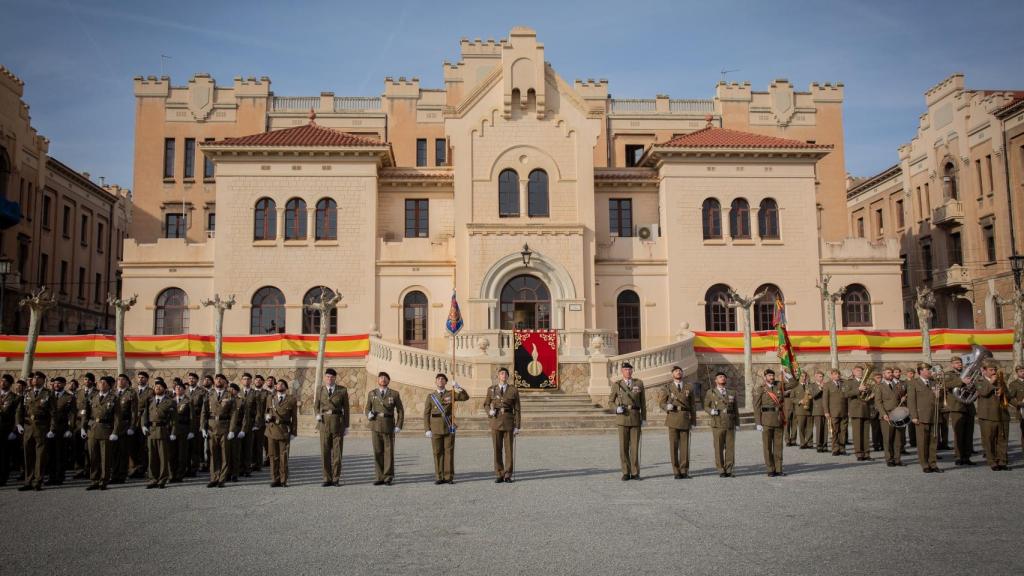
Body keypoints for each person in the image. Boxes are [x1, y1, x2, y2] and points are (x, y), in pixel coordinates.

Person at [423, 373, 469, 485]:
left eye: (443, 379)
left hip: (449, 426)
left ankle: (448, 476)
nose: (440, 381)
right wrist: (427, 429)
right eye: (438, 379)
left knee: (449, 452)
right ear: (435, 382)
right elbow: (426, 414)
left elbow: (465, 397)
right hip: (435, 427)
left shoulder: (451, 393)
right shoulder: (431, 396)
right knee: (437, 452)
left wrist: (458, 387)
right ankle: (439, 476)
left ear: (446, 382)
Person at [17, 371, 55, 491]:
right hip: (28, 427)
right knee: (28, 455)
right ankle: (28, 481)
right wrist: (18, 424)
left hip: (41, 427)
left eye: (38, 378)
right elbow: (20, 410)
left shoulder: (48, 394)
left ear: (43, 380)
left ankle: (38, 481)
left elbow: (53, 413)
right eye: (34, 378)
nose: (35, 380)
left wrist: (51, 429)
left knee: (40, 456)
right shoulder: (27, 393)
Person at [608, 361, 646, 481]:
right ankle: (625, 471)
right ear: (622, 372)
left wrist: (644, 418)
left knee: (634, 447)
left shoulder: (639, 383)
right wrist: (616, 408)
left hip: (635, 417)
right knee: (623, 447)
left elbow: (643, 403)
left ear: (632, 371)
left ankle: (635, 472)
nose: (628, 372)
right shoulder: (617, 385)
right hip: (622, 417)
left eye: (629, 370)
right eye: (625, 370)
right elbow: (610, 401)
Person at [82, 376, 120, 490]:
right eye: (100, 382)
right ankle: (94, 480)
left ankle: (103, 480)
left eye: (104, 383)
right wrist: (83, 428)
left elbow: (117, 417)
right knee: (93, 456)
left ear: (109, 385)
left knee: (105, 458)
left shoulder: (114, 398)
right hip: (92, 429)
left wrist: (115, 432)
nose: (101, 384)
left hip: (106, 429)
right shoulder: (92, 396)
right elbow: (86, 413)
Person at [200, 374, 238, 488]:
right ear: (214, 381)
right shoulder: (209, 394)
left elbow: (234, 413)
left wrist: (232, 430)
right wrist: (203, 427)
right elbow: (204, 412)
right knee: (213, 454)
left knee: (225, 455)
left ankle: (222, 478)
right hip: (212, 427)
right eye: (216, 379)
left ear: (224, 382)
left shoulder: (229, 395)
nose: (218, 380)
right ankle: (214, 477)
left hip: (225, 427)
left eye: (221, 379)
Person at [314, 367, 350, 486]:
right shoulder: (320, 390)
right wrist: (317, 415)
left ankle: (336, 478)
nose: (329, 379)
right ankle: (326, 478)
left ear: (335, 378)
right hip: (324, 423)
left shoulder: (342, 390)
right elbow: (316, 405)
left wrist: (346, 425)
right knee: (325, 452)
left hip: (337, 423)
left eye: (332, 377)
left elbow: (346, 408)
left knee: (337, 452)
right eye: (328, 377)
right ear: (325, 378)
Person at [366, 371, 404, 485]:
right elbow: (367, 408)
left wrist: (398, 425)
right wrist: (368, 414)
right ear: (378, 380)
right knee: (377, 451)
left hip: (389, 425)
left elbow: (400, 411)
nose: (383, 379)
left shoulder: (394, 394)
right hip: (376, 424)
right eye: (381, 378)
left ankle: (388, 477)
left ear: (388, 381)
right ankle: (379, 477)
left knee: (388, 452)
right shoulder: (372, 393)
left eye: (385, 378)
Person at [973, 359, 1010, 471]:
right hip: (987, 415)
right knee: (988, 440)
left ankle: (1002, 461)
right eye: (991, 370)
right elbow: (983, 392)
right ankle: (992, 461)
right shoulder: (979, 380)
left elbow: (1008, 395)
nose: (993, 372)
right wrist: (991, 382)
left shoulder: (1000, 380)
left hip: (1001, 414)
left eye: (994, 369)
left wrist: (1003, 392)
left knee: (1002, 439)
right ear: (984, 371)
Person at [485, 367, 521, 483]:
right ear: (498, 376)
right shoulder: (491, 389)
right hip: (495, 421)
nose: (503, 376)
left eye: (505, 374)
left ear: (508, 376)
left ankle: (508, 474)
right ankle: (499, 473)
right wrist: (489, 412)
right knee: (497, 449)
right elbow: (486, 404)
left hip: (509, 421)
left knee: (509, 450)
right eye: (501, 374)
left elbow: (517, 409)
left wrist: (517, 426)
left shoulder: (513, 390)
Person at [659, 366, 695, 479]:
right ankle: (676, 471)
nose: (678, 373)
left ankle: (684, 470)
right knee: (673, 446)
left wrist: (693, 420)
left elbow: (692, 405)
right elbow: (661, 403)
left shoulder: (689, 387)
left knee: (684, 447)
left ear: (682, 373)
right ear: (672, 374)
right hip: (673, 418)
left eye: (680, 371)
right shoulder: (668, 388)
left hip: (685, 418)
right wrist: (666, 406)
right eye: (676, 371)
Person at [753, 368, 790, 476]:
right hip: (766, 421)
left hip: (778, 419)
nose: (772, 377)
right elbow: (756, 406)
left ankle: (779, 469)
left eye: (773, 375)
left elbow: (793, 384)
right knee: (768, 447)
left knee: (778, 446)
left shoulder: (779, 385)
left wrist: (786, 374)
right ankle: (770, 469)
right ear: (765, 377)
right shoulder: (760, 389)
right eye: (769, 376)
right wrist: (758, 423)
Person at [907, 362, 942, 473]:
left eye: (930, 370)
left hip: (933, 415)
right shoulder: (914, 383)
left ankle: (933, 463)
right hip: (921, 416)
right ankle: (924, 464)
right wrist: (914, 416)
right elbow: (911, 401)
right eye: (927, 369)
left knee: (933, 441)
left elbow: (938, 401)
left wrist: (938, 396)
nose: (929, 371)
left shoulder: (933, 382)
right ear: (920, 371)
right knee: (922, 442)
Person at [141, 377, 175, 489]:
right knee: (152, 457)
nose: (157, 388)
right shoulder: (150, 401)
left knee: (163, 457)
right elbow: (144, 414)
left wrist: (173, 432)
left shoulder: (170, 401)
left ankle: (163, 479)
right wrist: (143, 425)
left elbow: (174, 419)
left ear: (164, 389)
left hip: (163, 430)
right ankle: (153, 479)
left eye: (160, 386)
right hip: (151, 431)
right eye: (156, 386)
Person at [941, 356, 974, 466]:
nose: (959, 364)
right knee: (959, 433)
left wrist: (971, 384)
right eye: (956, 363)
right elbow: (946, 385)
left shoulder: (968, 373)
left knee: (969, 434)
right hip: (956, 407)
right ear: (952, 364)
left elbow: (976, 386)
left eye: (960, 362)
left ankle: (967, 457)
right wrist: (961, 381)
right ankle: (959, 456)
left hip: (969, 406)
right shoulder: (948, 374)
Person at [265, 379, 298, 487]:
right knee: (273, 456)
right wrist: (267, 417)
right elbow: (266, 411)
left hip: (284, 430)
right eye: (277, 384)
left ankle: (283, 480)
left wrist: (293, 432)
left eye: (281, 384)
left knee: (283, 457)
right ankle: (275, 479)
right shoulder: (270, 398)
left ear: (286, 387)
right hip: (271, 430)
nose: (279, 385)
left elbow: (294, 417)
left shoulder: (291, 399)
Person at [704, 372, 738, 477]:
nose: (722, 378)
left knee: (730, 448)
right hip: (717, 423)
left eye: (724, 377)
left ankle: (729, 469)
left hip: (729, 423)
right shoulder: (711, 392)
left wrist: (737, 423)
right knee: (718, 447)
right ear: (715, 380)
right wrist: (711, 411)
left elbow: (736, 409)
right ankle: (721, 469)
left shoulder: (732, 392)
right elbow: (706, 406)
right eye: (720, 377)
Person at [47, 376, 76, 485]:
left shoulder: (69, 397)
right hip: (49, 428)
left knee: (60, 454)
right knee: (50, 454)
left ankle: (59, 477)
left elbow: (72, 414)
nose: (56, 385)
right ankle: (51, 477)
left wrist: (70, 429)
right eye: (55, 383)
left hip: (62, 428)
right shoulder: (49, 396)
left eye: (59, 383)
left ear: (64, 384)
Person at [875, 368, 906, 467]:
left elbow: (900, 398)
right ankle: (889, 459)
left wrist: (903, 398)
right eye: (888, 373)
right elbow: (878, 402)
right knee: (888, 438)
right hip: (887, 415)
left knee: (898, 438)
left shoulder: (897, 385)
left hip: (897, 415)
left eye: (891, 372)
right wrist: (883, 414)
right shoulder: (880, 386)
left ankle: (897, 459)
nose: (891, 374)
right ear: (883, 374)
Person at [822, 368, 855, 456]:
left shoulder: (844, 384)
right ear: (832, 375)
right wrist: (826, 411)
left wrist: (849, 410)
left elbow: (847, 398)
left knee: (843, 431)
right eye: (835, 374)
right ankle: (835, 449)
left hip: (844, 411)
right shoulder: (827, 385)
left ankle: (842, 448)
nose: (837, 376)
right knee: (835, 431)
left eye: (838, 374)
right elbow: (825, 399)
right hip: (833, 412)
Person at [111, 374, 137, 484]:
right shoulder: (112, 394)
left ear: (127, 382)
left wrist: (132, 426)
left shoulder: (131, 394)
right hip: (112, 426)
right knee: (113, 452)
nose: (120, 381)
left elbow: (134, 412)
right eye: (119, 379)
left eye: (123, 380)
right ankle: (114, 474)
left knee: (123, 452)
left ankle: (121, 475)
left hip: (124, 425)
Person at [845, 366, 873, 462]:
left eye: (861, 370)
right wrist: (859, 389)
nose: (860, 372)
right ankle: (859, 454)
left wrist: (868, 391)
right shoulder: (849, 382)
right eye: (858, 370)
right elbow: (846, 394)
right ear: (853, 371)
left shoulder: (867, 382)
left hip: (866, 409)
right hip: (856, 410)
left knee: (866, 433)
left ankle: (866, 453)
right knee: (857, 434)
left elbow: (870, 394)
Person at [169, 378, 193, 483]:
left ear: (184, 390)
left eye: (180, 387)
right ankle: (172, 474)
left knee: (182, 454)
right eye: (176, 388)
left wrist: (191, 430)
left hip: (183, 429)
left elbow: (192, 417)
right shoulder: (171, 401)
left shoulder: (188, 401)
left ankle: (179, 475)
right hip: (172, 430)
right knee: (172, 453)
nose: (177, 389)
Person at [131, 371, 153, 479]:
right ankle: (134, 468)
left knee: (143, 446)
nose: (140, 379)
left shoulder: (150, 392)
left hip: (144, 420)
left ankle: (144, 468)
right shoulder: (133, 391)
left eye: (143, 378)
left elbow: (150, 408)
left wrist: (145, 423)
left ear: (147, 379)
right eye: (139, 377)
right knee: (133, 445)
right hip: (133, 420)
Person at [0, 374, 21, 486]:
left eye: (6, 381)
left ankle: (3, 478)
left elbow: (16, 415)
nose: (3, 383)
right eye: (2, 381)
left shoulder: (15, 397)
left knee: (4, 456)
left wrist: (13, 431)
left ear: (10, 384)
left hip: (5, 430)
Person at [185, 372, 207, 476]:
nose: (191, 380)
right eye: (189, 378)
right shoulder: (184, 391)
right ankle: (186, 467)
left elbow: (204, 408)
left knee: (196, 445)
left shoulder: (202, 392)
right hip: (186, 421)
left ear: (197, 380)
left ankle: (194, 467)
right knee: (186, 446)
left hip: (197, 420)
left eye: (193, 379)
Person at [250, 374, 268, 472]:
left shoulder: (267, 393)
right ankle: (251, 462)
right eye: (256, 380)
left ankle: (258, 464)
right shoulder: (250, 393)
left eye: (260, 380)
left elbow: (268, 407)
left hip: (261, 422)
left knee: (259, 443)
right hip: (250, 421)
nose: (258, 381)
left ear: (263, 382)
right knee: (250, 444)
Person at [791, 371, 814, 450]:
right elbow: (792, 398)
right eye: (802, 377)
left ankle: (810, 442)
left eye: (805, 377)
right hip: (800, 410)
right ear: (799, 378)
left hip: (810, 409)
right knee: (801, 427)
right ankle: (802, 443)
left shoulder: (810, 387)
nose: (804, 378)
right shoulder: (795, 388)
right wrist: (799, 401)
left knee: (809, 427)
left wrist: (811, 396)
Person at [1009, 365, 1024, 449]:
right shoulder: (1014, 384)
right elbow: (1010, 398)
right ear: (1017, 373)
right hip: (1022, 411)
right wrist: (1018, 403)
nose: (1023, 372)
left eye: (1023, 370)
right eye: (1021, 371)